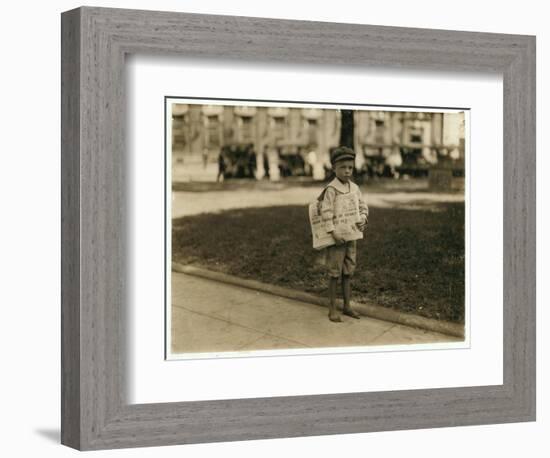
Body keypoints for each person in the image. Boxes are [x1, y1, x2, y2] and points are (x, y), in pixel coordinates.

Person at [319, 146, 368, 322]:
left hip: (351, 237)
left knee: (348, 271)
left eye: (350, 167)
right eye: (343, 167)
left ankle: (347, 306)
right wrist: (332, 232)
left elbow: (363, 207)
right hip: (336, 239)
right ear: (334, 168)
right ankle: (332, 308)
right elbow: (326, 212)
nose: (347, 171)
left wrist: (363, 217)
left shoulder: (354, 188)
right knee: (334, 273)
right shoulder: (331, 189)